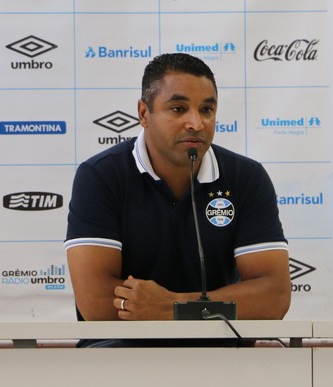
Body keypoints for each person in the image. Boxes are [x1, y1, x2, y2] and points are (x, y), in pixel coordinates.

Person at [64, 53, 291, 347]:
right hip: (121, 352)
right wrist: (200, 310)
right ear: (144, 114)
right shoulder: (101, 176)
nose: (196, 122)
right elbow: (95, 303)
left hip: (217, 352)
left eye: (207, 109)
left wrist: (174, 308)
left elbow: (273, 298)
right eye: (178, 108)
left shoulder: (246, 177)